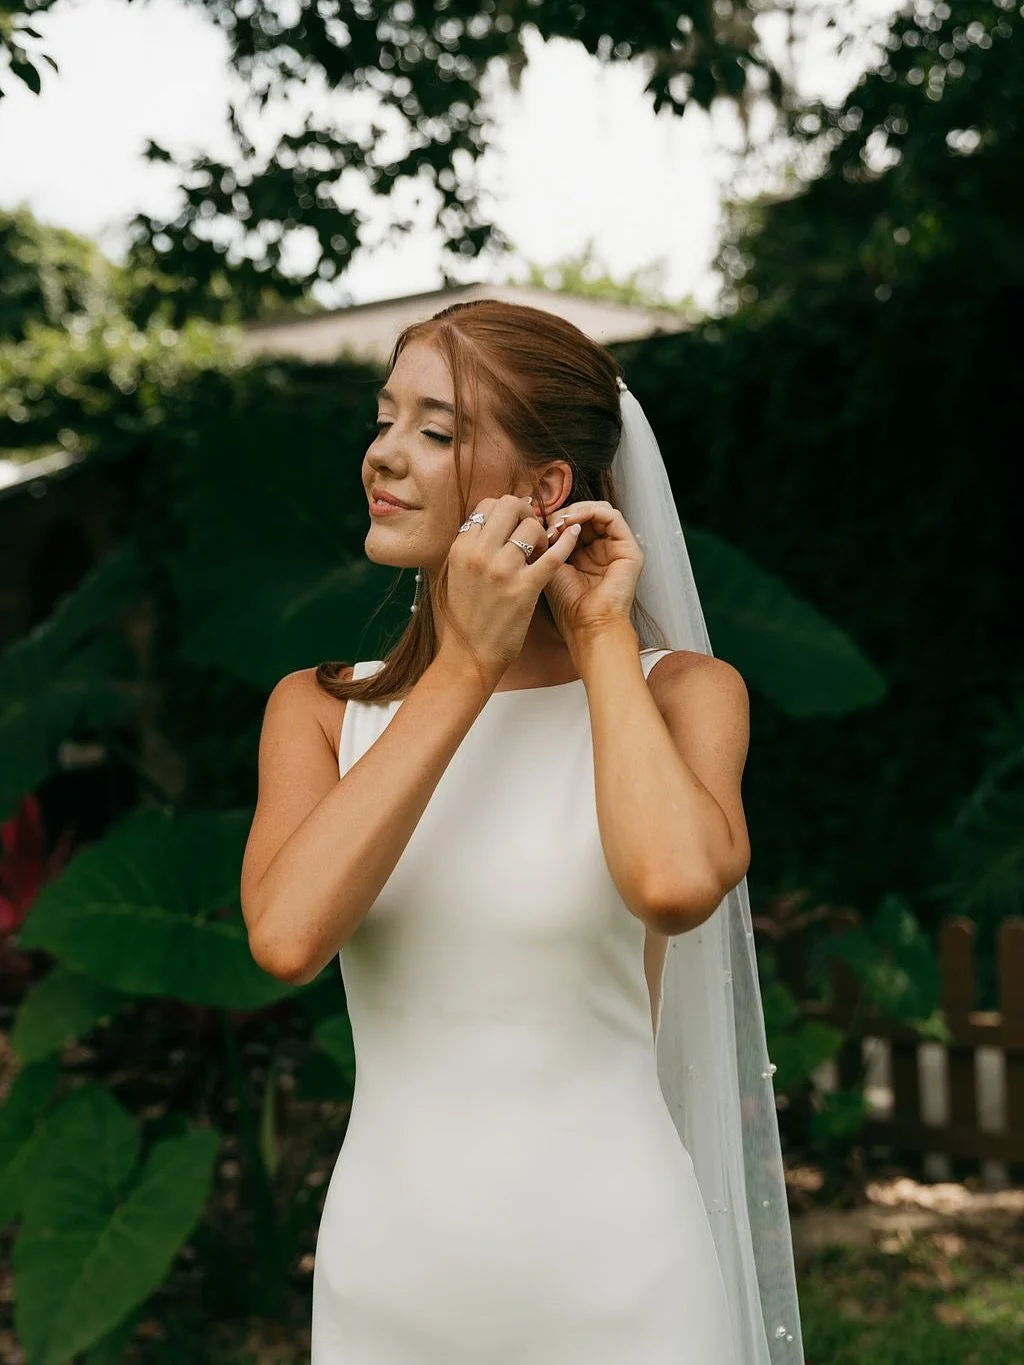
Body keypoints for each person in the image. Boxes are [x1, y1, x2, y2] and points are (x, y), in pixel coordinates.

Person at [240, 299, 803, 1364]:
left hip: (621, 1275)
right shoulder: (318, 709)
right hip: (391, 1278)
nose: (384, 455)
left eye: (436, 431)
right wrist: (462, 670)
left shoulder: (682, 694)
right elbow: (285, 937)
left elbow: (677, 885)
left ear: (547, 490)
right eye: (384, 418)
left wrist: (596, 634)